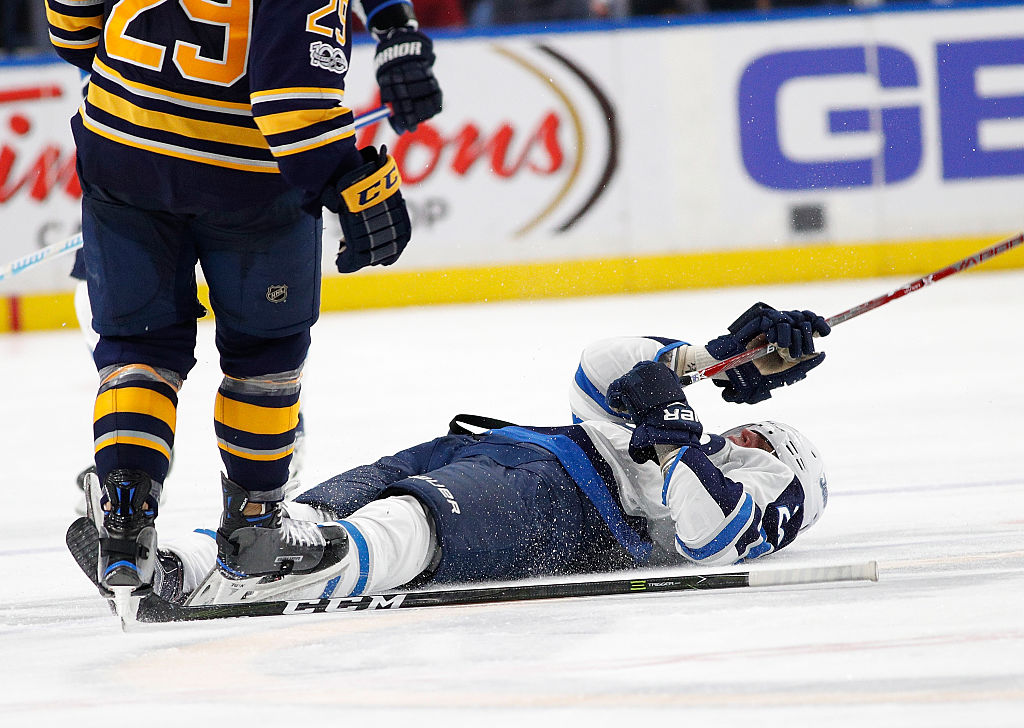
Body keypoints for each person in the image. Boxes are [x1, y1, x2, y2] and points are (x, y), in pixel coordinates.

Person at [45, 0, 443, 611]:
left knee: (140, 346)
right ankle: (257, 525)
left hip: (118, 148)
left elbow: (71, 23)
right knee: (265, 353)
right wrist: (351, 180)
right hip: (245, 180)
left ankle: (124, 522)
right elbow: (293, 104)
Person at [72, 302, 832, 606]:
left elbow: (711, 535)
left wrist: (676, 432)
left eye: (759, 437)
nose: (743, 436)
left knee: (406, 526)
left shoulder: (775, 484)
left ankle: (237, 592)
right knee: (293, 515)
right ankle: (173, 568)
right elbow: (600, 368)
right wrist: (713, 358)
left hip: (569, 506)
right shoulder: (683, 439)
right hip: (508, 447)